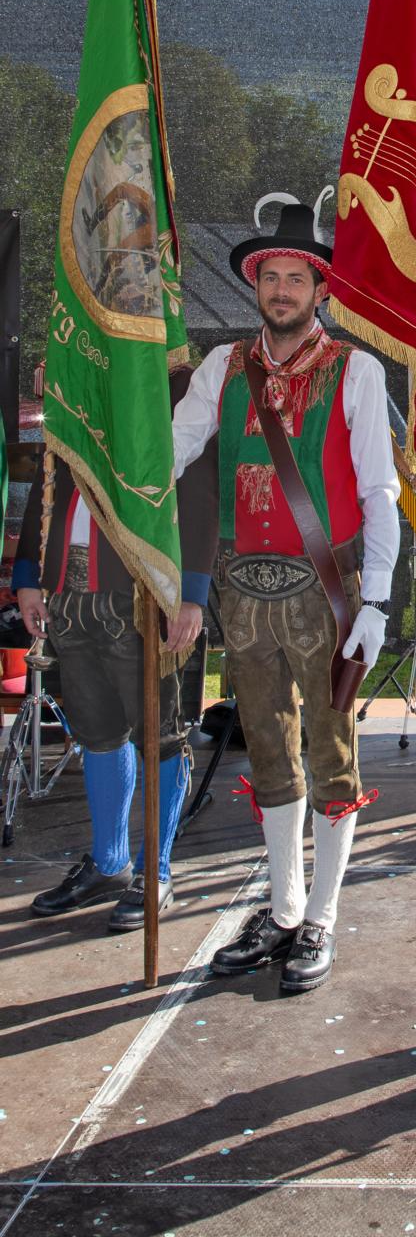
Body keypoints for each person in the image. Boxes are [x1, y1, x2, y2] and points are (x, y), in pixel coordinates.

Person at [171, 195, 400, 994]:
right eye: (271, 277)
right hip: (243, 591)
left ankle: (323, 917)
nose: (282, 290)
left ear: (320, 289)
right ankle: (285, 907)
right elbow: (172, 449)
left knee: (331, 753)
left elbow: (379, 491)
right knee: (268, 749)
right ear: (255, 284)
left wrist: (376, 601)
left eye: (296, 278)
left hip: (325, 590)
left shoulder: (357, 371)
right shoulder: (221, 367)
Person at [14, 366, 217, 931]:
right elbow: (49, 476)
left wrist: (191, 593)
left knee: (161, 734)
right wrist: (29, 574)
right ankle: (109, 863)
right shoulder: (74, 369)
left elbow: (199, 490)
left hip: (143, 591)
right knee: (97, 732)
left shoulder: (175, 380)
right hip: (68, 591)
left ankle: (155, 871)